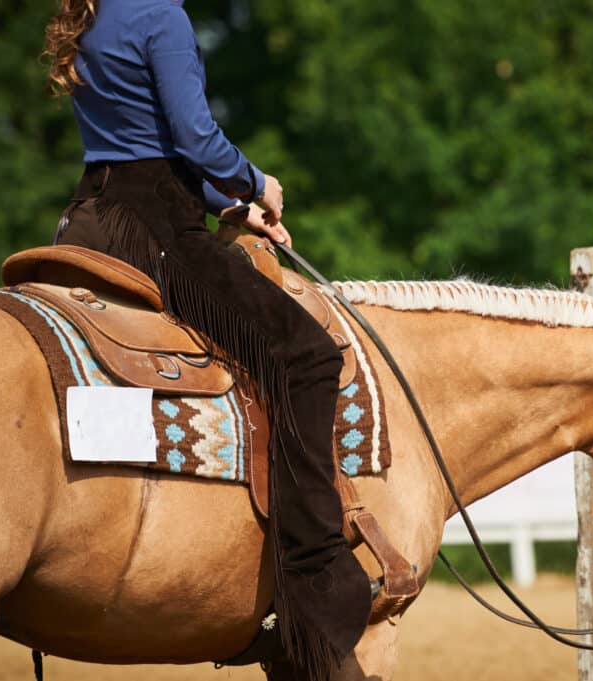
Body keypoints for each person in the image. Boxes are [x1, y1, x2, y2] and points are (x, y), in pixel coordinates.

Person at [43, 1, 371, 677]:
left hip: (87, 219)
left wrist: (232, 206)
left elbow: (145, 143)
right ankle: (309, 584)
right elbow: (193, 137)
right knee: (308, 358)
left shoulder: (96, 10)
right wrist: (257, 182)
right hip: (154, 229)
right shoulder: (161, 14)